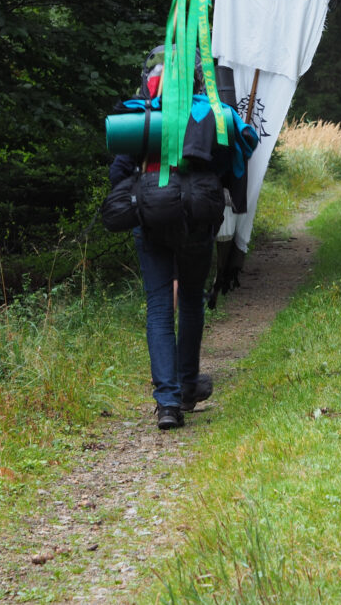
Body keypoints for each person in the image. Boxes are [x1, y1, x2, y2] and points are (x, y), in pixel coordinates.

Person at [110, 49, 256, 430]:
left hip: (152, 218)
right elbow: (230, 164)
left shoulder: (142, 116)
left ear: (151, 81)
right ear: (196, 80)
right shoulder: (210, 114)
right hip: (197, 218)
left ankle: (168, 403)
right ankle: (188, 385)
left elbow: (118, 173)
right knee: (191, 299)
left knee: (160, 305)